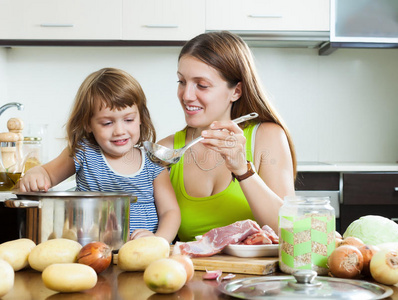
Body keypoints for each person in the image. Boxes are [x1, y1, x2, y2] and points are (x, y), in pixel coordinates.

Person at [158, 31, 297, 242]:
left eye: (201, 85)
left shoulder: (267, 137)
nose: (186, 95)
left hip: (257, 275)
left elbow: (292, 231)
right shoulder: (167, 151)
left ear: (236, 91)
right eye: (182, 82)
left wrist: (242, 169)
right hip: (191, 274)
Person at [18, 67, 180, 244]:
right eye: (107, 123)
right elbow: (47, 174)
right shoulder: (84, 153)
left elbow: (170, 212)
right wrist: (35, 175)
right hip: (90, 254)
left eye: (128, 120)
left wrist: (158, 241)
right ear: (88, 124)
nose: (119, 131)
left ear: (141, 118)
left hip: (144, 255)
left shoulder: (152, 161)